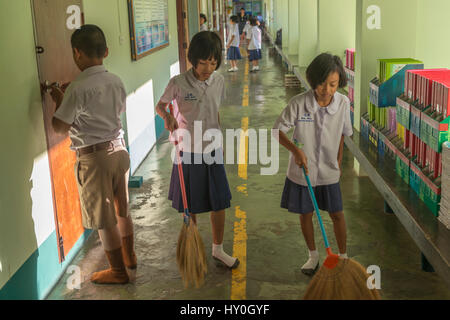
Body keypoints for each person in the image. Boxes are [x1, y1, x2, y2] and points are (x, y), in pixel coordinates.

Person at [49, 25, 136, 284]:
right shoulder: (116, 80)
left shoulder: (77, 88)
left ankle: (118, 272)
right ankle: (130, 258)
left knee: (103, 219)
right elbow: (115, 110)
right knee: (122, 210)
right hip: (120, 150)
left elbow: (59, 127)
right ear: (106, 51)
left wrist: (59, 101)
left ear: (77, 53)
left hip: (96, 158)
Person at [155, 31, 239, 270]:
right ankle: (193, 249)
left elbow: (214, 111)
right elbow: (160, 106)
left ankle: (218, 249)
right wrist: (168, 116)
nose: (208, 68)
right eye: (203, 62)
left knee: (219, 202)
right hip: (188, 151)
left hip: (213, 149)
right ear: (193, 59)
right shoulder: (178, 83)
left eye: (213, 62)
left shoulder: (219, 81)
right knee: (189, 204)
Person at [273, 53, 353, 276]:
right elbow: (277, 131)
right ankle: (313, 255)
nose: (326, 89)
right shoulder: (298, 103)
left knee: (337, 213)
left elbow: (344, 134)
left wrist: (338, 160)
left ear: (339, 83)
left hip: (329, 171)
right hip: (303, 172)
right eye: (321, 83)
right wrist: (295, 150)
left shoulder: (344, 103)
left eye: (332, 84)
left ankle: (343, 256)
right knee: (306, 213)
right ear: (312, 81)